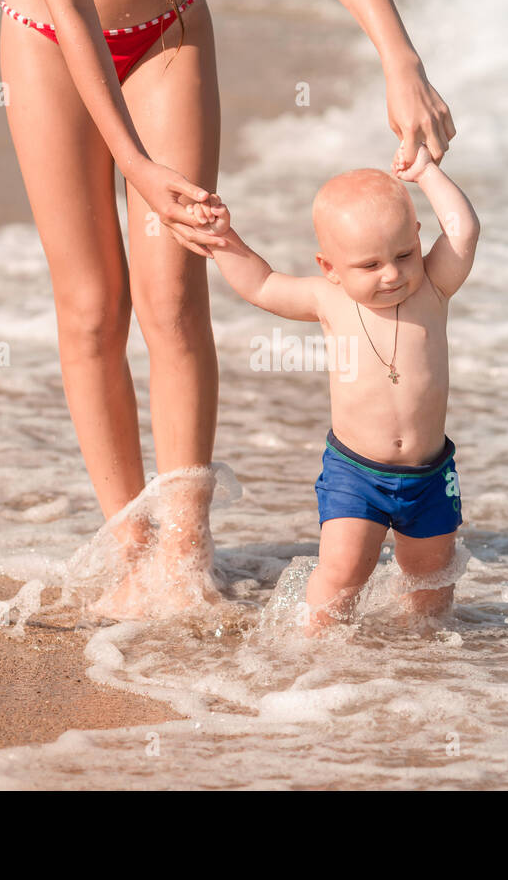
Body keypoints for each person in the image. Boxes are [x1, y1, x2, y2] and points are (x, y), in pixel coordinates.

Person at [0, 0, 455, 616]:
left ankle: (183, 555)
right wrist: (136, 165)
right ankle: (131, 552)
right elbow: (69, 3)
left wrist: (400, 58)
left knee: (175, 297)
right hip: (51, 38)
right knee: (92, 307)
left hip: (166, 32)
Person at [189, 144, 480, 629]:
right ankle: (311, 656)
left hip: (429, 475)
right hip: (356, 475)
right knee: (342, 576)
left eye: (404, 254)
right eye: (369, 266)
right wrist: (225, 241)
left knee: (431, 588)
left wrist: (427, 173)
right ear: (331, 268)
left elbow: (464, 231)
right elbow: (261, 285)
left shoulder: (433, 286)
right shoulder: (329, 300)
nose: (391, 275)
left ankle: (424, 670)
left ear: (417, 237)